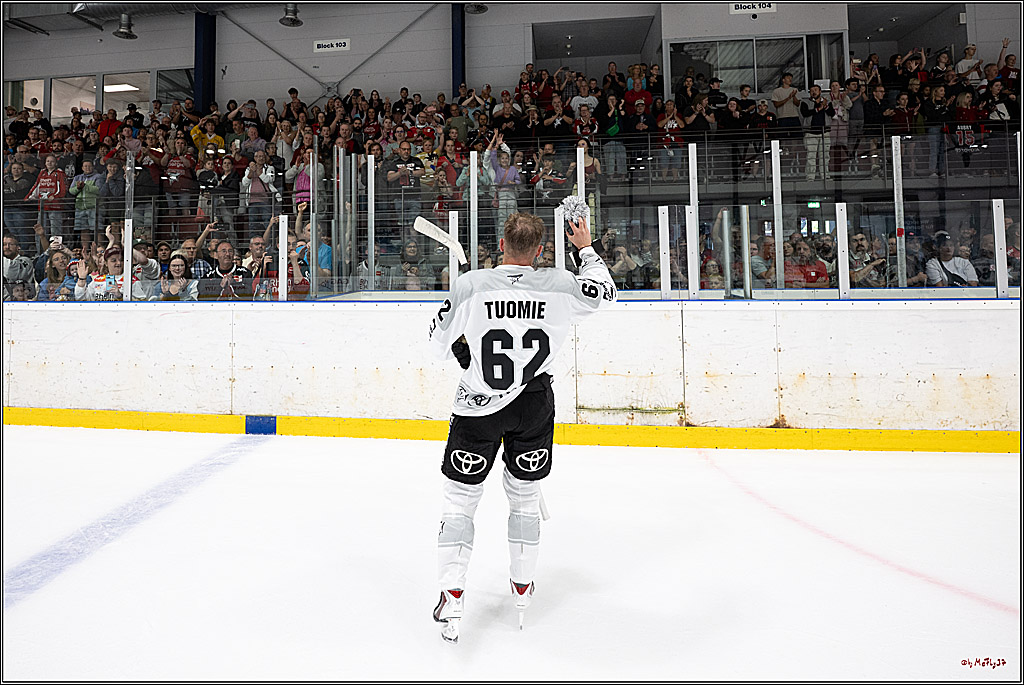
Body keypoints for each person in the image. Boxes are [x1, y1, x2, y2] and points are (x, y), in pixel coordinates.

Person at [427, 211, 616, 644]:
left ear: (500, 244)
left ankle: (452, 596)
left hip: (478, 409)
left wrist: (459, 343)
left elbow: (437, 343)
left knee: (460, 502)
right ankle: (523, 589)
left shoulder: (470, 285)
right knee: (525, 500)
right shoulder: (561, 283)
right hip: (533, 404)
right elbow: (606, 293)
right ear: (540, 251)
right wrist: (584, 247)